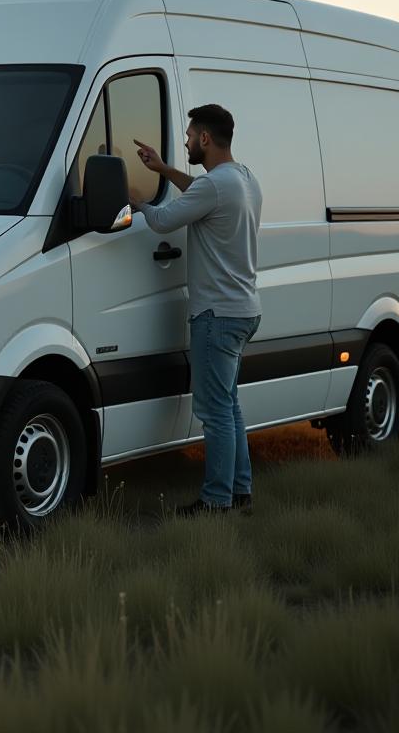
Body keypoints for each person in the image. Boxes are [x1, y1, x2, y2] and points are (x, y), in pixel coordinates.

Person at [131, 104, 263, 515]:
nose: (186, 140)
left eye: (189, 135)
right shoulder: (242, 178)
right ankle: (240, 491)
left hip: (216, 315)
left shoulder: (215, 187)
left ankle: (217, 501)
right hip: (243, 310)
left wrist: (135, 201)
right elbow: (201, 194)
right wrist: (165, 170)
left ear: (205, 138)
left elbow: (163, 221)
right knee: (229, 404)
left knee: (214, 410)